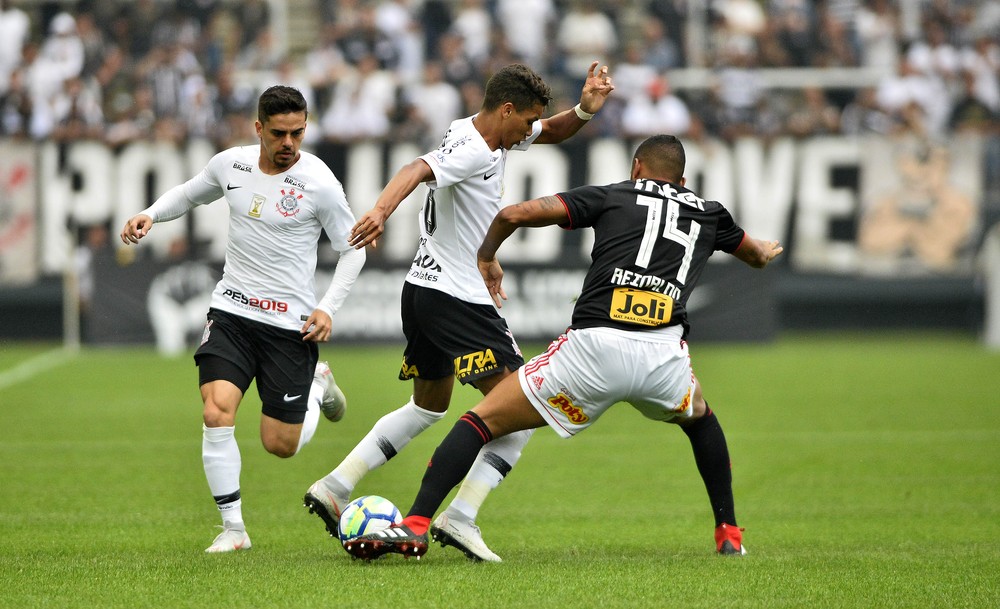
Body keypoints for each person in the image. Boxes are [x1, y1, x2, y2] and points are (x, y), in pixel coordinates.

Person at [344, 134, 783, 560]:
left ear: (636, 168)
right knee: (702, 421)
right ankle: (728, 533)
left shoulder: (613, 195)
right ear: (683, 181)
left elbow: (513, 214)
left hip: (593, 350)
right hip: (663, 357)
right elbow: (755, 255)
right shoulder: (709, 213)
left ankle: (417, 522)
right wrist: (764, 249)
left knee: (483, 419)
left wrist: (486, 255)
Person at [303, 61, 615, 562]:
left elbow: (553, 130)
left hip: (422, 290)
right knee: (524, 410)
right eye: (526, 120)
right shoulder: (473, 148)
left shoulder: (484, 131)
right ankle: (459, 517)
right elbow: (414, 170)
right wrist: (380, 211)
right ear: (506, 109)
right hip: (458, 299)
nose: (530, 131)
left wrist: (584, 109)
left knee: (427, 407)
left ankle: (336, 485)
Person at [120, 85, 365, 553]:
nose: (288, 142)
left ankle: (317, 385)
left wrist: (327, 308)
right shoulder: (230, 165)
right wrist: (149, 214)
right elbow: (189, 194)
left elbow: (353, 250)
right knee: (216, 411)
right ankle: (234, 530)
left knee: (279, 444)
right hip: (232, 312)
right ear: (258, 128)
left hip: (288, 326)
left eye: (297, 132)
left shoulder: (320, 183)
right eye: (278, 133)